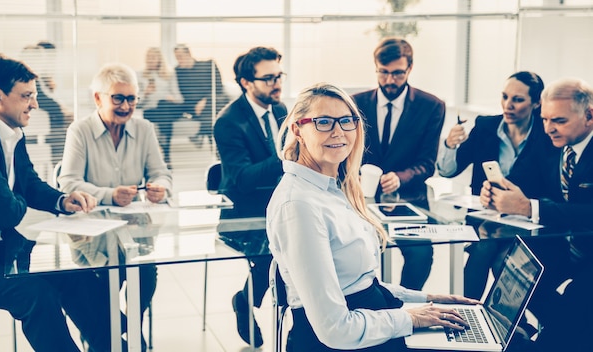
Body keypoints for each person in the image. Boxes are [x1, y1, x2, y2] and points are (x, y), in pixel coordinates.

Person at [267, 82, 479, 352]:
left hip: (374, 324)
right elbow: (335, 329)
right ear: (298, 129)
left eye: (346, 121)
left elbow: (358, 283)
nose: (338, 132)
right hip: (345, 342)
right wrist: (411, 317)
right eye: (323, 122)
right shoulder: (298, 205)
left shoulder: (331, 188)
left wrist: (424, 298)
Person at [0, 53, 112, 352]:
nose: (35, 103)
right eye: (27, 96)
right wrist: (34, 215)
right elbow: (3, 210)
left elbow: (29, 184)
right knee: (37, 294)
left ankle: (114, 344)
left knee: (75, 274)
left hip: (1, 250)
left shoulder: (10, 132)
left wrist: (61, 200)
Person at [58, 62, 172, 349]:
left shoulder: (144, 128)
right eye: (117, 98)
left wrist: (160, 187)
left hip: (135, 230)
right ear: (98, 98)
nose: (126, 105)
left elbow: (162, 173)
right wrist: (109, 194)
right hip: (90, 233)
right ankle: (115, 331)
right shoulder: (80, 131)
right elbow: (69, 183)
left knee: (146, 273)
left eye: (131, 98)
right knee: (105, 277)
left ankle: (119, 327)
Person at [479, 78, 593, 351]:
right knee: (513, 268)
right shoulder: (551, 144)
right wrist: (499, 192)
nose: (548, 128)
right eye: (544, 119)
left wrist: (530, 208)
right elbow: (523, 181)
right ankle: (554, 333)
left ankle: (559, 335)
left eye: (559, 121)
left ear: (589, 116)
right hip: (563, 245)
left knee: (576, 305)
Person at [437, 71, 555, 299]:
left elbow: (554, 188)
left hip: (526, 221)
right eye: (504, 97)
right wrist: (450, 145)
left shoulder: (546, 134)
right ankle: (472, 314)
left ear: (537, 102)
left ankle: (467, 314)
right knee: (488, 247)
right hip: (485, 218)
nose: (508, 105)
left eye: (518, 99)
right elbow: (447, 171)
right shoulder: (485, 127)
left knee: (493, 253)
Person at [353, 38, 446, 290]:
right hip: (360, 198)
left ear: (410, 69)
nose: (389, 80)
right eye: (383, 73)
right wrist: (354, 176)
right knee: (355, 254)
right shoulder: (355, 103)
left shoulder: (432, 106)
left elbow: (427, 164)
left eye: (397, 73)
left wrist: (400, 177)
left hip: (409, 198)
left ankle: (404, 308)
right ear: (376, 69)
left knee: (421, 257)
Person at [213, 46, 287, 347]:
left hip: (279, 203)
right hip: (243, 211)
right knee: (281, 251)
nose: (277, 83)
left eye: (279, 75)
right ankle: (246, 301)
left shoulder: (281, 110)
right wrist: (286, 157)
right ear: (246, 82)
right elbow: (242, 179)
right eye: (268, 78)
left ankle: (252, 300)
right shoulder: (229, 121)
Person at [138, 47, 185, 166]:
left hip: (169, 107)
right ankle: (166, 153)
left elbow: (179, 98)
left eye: (153, 57)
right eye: (148, 58)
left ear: (159, 59)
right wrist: (145, 93)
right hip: (151, 110)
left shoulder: (169, 74)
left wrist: (171, 98)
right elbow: (137, 103)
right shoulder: (141, 76)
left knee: (163, 104)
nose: (150, 60)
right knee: (163, 110)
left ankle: (164, 149)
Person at [174, 44, 228, 147]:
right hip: (192, 106)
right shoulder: (178, 71)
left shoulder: (208, 65)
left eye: (180, 56)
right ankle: (215, 146)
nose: (179, 60)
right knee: (211, 113)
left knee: (215, 105)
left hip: (210, 101)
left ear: (188, 54)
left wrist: (205, 100)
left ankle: (201, 133)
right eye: (176, 58)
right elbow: (180, 94)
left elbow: (218, 86)